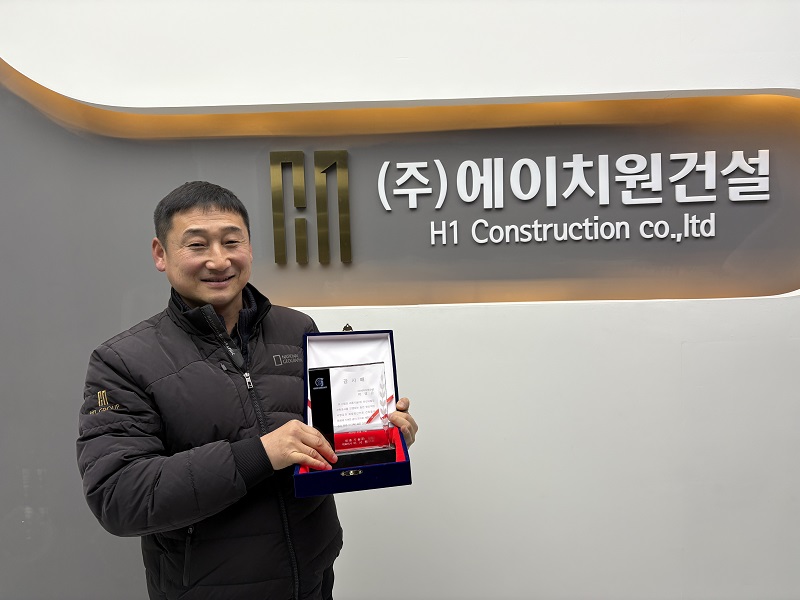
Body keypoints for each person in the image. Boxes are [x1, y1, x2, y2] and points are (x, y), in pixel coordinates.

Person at [76, 181, 418, 600]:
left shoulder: (297, 328)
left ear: (250, 248)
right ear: (160, 254)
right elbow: (119, 497)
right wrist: (259, 453)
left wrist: (379, 436)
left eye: (231, 241)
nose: (219, 260)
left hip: (312, 582)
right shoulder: (122, 361)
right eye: (197, 244)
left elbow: (321, 444)